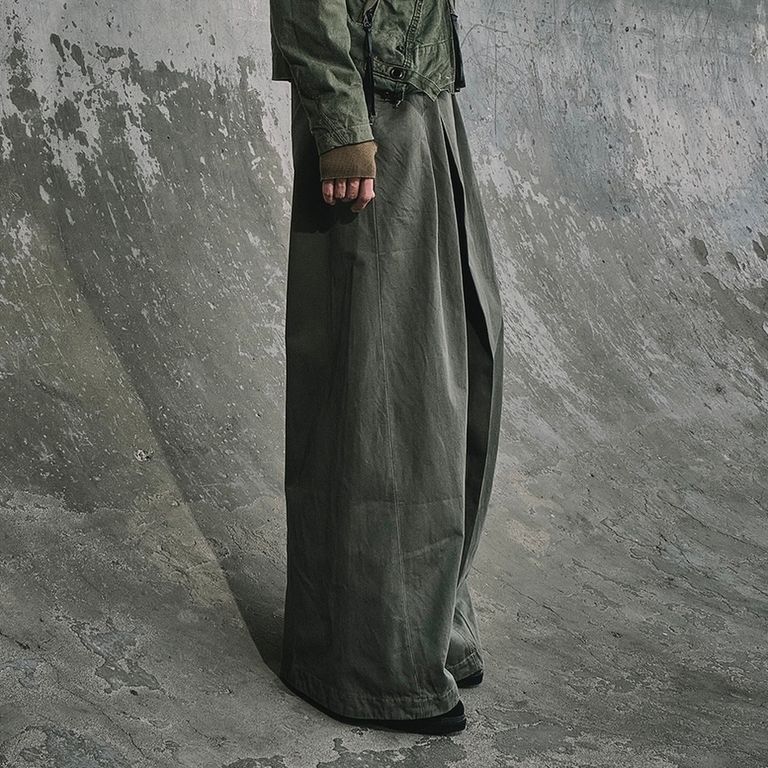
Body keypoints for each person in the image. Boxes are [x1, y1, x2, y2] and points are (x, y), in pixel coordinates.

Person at [268, 0, 505, 735]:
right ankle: (368, 662)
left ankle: (426, 628)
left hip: (422, 94)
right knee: (387, 393)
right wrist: (342, 121)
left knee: (458, 370)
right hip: (374, 105)